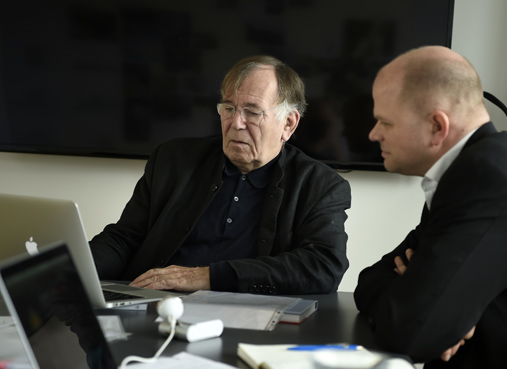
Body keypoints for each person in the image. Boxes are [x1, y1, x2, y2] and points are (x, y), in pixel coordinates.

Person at [353, 45, 507, 368]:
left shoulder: (488, 180)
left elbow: (410, 332)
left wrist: (434, 313)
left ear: (437, 126)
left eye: (384, 122)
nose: (373, 133)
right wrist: (436, 312)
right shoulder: (469, 170)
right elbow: (371, 278)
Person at [89, 55, 351, 295]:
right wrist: (73, 266)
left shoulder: (320, 186)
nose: (235, 123)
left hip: (250, 318)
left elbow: (323, 266)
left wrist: (209, 277)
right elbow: (124, 239)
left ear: (288, 124)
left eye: (251, 111)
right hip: (154, 305)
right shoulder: (173, 160)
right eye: (228, 108)